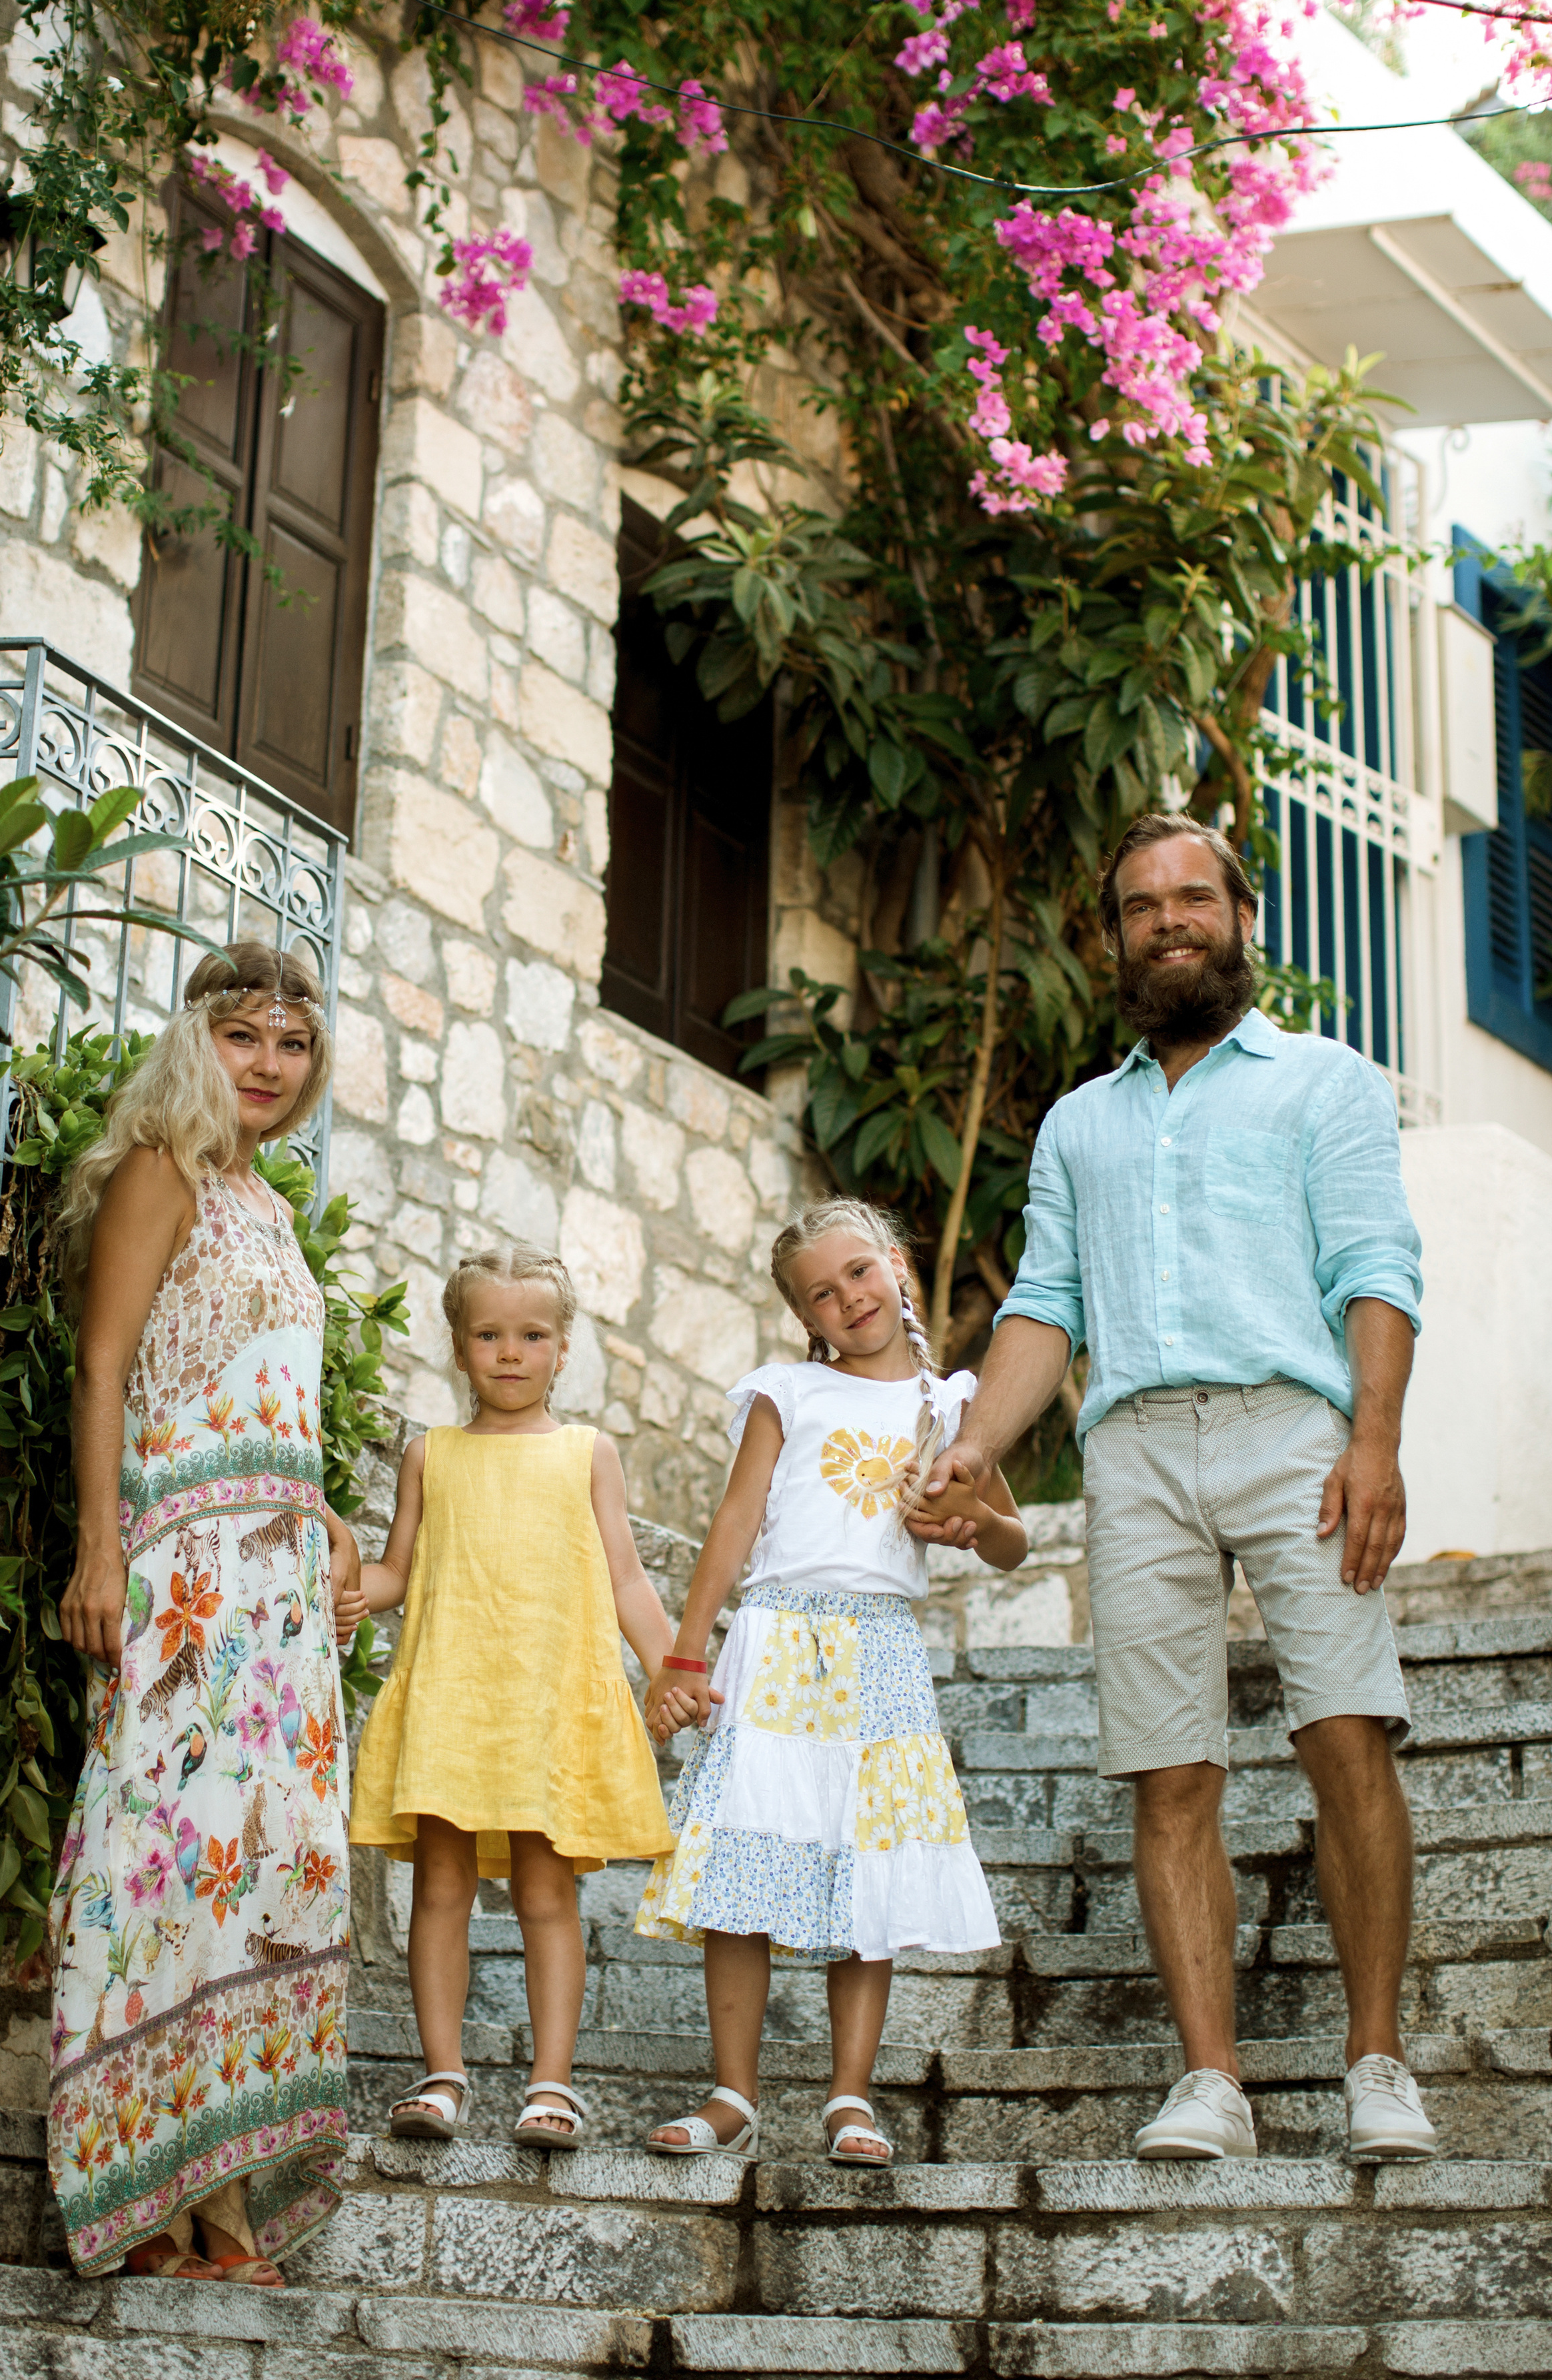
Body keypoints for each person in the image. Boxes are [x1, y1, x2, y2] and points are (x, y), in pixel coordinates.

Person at [923, 809, 1435, 2165]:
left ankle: (1376, 2063)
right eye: (1142, 906)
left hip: (1294, 1433)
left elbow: (1375, 1267)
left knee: (1344, 1730)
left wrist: (1374, 1442)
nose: (1169, 922)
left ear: (1240, 917)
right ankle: (1210, 2083)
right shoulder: (1079, 1124)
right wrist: (977, 1442)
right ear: (1115, 938)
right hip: (1135, 1449)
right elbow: (1045, 1304)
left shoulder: (1324, 1082)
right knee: (1168, 1769)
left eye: (1192, 897)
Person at [48, 943, 363, 2283]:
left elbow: (261, 1386)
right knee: (169, 1860)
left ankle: (223, 2193)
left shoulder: (271, 1206)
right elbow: (105, 1366)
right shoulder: (157, 1173)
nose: (270, 1066)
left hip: (281, 1586)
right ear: (197, 1042)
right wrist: (97, 1552)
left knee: (275, 1864)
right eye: (246, 1038)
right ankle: (144, 2203)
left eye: (293, 1046)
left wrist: (322, 1512)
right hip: (183, 1570)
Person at [636, 1199, 1026, 2168]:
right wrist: (687, 1653)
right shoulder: (787, 1394)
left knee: (870, 1862)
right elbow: (735, 1521)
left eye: (859, 1272)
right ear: (804, 1317)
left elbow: (1013, 1543)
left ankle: (850, 2095)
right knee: (743, 1863)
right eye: (822, 1293)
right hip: (775, 1641)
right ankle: (734, 2094)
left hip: (881, 1650)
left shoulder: (952, 1407)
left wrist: (974, 1520)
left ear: (896, 1265)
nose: (848, 1297)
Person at [344, 1243, 675, 2147]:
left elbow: (627, 1577)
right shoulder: (431, 1455)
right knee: (440, 1888)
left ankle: (551, 2084)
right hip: (452, 1703)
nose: (511, 1353)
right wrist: (346, 1582)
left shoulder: (587, 1453)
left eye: (532, 1335)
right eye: (489, 1334)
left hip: (546, 1709)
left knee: (545, 1893)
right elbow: (397, 1571)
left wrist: (669, 1667)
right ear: (459, 1347)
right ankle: (442, 2075)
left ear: (563, 1349)